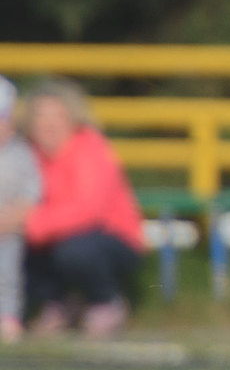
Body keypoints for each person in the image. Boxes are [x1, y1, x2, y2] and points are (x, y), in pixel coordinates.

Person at [1, 82, 145, 339]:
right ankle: (55, 304)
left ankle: (104, 301)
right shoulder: (26, 154)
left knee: (74, 251)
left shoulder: (90, 148)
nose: (49, 124)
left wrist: (26, 222)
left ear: (72, 118)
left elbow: (87, 210)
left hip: (108, 238)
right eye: (41, 116)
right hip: (49, 235)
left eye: (57, 116)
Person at [0, 80, 40, 344]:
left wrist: (15, 215)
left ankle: (8, 317)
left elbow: (32, 192)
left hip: (8, 228)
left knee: (7, 274)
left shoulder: (21, 154)